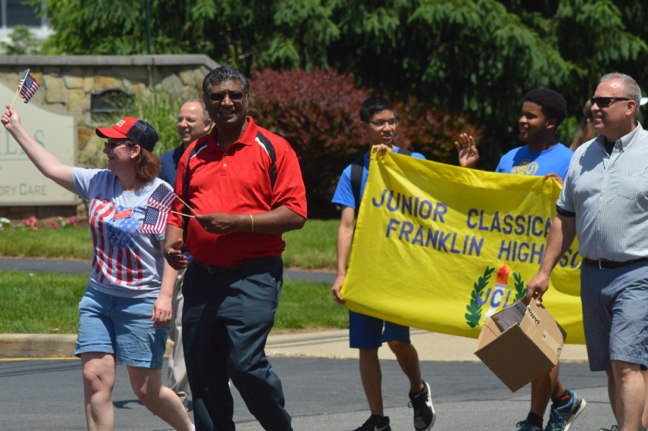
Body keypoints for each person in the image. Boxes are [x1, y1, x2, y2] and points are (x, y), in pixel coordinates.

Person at [1, 108, 193, 431]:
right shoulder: (99, 182)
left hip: (141, 301)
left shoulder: (158, 195)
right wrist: (16, 128)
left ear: (135, 150)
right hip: (98, 299)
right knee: (94, 380)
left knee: (146, 390)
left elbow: (170, 251)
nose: (106, 150)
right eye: (106, 144)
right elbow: (51, 168)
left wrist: (164, 297)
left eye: (113, 145)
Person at [163, 66, 307, 431]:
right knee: (203, 374)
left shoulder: (273, 148)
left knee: (245, 365)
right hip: (201, 279)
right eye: (217, 97)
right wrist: (172, 243)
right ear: (207, 103)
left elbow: (295, 213)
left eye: (234, 95)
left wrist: (237, 222)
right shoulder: (194, 153)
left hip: (252, 276)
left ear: (246, 100)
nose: (226, 102)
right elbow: (178, 209)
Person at [455, 88, 586, 431]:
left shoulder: (571, 160)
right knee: (518, 340)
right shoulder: (509, 159)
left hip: (548, 264)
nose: (522, 120)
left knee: (539, 338)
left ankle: (535, 419)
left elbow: (580, 210)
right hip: (511, 265)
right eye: (522, 114)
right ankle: (563, 399)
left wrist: (562, 189)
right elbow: (491, 208)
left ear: (551, 123)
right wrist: (470, 172)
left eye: (531, 116)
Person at [525, 73, 648, 431]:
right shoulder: (582, 155)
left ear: (630, 106)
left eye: (604, 102)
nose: (594, 107)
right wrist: (544, 271)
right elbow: (565, 219)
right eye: (594, 101)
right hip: (592, 275)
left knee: (626, 362)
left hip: (638, 273)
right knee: (612, 365)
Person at [331, 96, 435, 431]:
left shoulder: (413, 161)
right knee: (366, 347)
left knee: (396, 340)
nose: (387, 128)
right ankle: (378, 419)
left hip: (400, 271)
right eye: (379, 123)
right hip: (365, 271)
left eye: (392, 121)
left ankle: (418, 390)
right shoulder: (354, 172)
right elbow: (347, 225)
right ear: (365, 128)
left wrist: (394, 165)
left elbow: (438, 203)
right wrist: (342, 272)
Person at [158, 99, 212, 409]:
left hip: (202, 255)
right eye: (180, 118)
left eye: (190, 119)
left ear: (207, 124)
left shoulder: (214, 159)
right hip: (169, 255)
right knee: (171, 323)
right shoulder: (166, 162)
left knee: (183, 324)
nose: (183, 124)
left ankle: (177, 392)